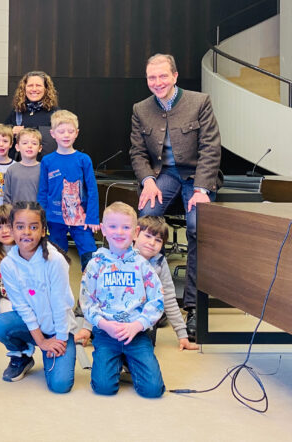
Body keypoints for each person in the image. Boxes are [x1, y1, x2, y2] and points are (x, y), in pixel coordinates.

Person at [129, 53, 221, 341]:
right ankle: (149, 302)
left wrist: (202, 189)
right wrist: (147, 181)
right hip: (164, 175)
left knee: (196, 228)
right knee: (145, 221)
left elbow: (211, 147)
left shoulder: (199, 101)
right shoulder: (140, 109)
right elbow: (138, 152)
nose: (157, 82)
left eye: (162, 76)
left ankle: (192, 307)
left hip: (197, 176)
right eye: (151, 78)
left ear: (175, 76)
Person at [80, 202, 165, 398]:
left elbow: (157, 300)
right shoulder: (95, 265)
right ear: (103, 230)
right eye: (113, 226)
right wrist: (104, 325)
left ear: (135, 232)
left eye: (126, 227)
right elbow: (87, 303)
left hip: (136, 333)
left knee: (152, 390)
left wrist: (137, 325)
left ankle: (128, 360)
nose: (119, 232)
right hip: (105, 333)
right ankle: (113, 360)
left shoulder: (142, 265)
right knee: (103, 388)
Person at [0, 201, 76, 393]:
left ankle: (60, 349)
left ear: (43, 230)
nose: (26, 232)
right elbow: (22, 308)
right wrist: (42, 342)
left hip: (58, 328)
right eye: (20, 227)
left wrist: (59, 339)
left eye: (33, 227)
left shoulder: (54, 261)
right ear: (12, 230)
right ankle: (22, 356)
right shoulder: (8, 264)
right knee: (0, 325)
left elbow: (60, 305)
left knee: (60, 385)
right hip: (32, 325)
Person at [38, 110, 99, 271]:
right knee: (56, 255)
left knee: (89, 252)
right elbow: (43, 192)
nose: (66, 135)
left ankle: (91, 285)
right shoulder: (47, 161)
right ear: (53, 134)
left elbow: (92, 190)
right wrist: (42, 218)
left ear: (77, 133)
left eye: (70, 131)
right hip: (54, 218)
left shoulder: (83, 159)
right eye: (61, 131)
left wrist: (92, 217)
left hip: (81, 218)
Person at [134, 216, 199, 351]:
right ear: (135, 234)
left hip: (144, 319)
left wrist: (182, 336)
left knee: (143, 350)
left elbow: (168, 298)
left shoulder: (159, 263)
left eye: (158, 240)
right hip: (117, 317)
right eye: (147, 236)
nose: (152, 243)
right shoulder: (122, 256)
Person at [3, 71, 59, 158]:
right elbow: (1, 133)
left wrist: (27, 130)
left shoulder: (55, 113)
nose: (34, 89)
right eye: (30, 85)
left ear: (46, 88)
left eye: (38, 85)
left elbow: (61, 137)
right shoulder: (17, 111)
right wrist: (11, 130)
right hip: (21, 165)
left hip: (45, 165)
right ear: (24, 89)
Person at [3, 128, 43, 204]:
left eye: (34, 143)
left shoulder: (44, 169)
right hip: (16, 214)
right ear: (17, 147)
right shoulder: (11, 170)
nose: (29, 146)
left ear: (40, 148)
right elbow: (7, 197)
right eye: (25, 143)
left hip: (38, 214)